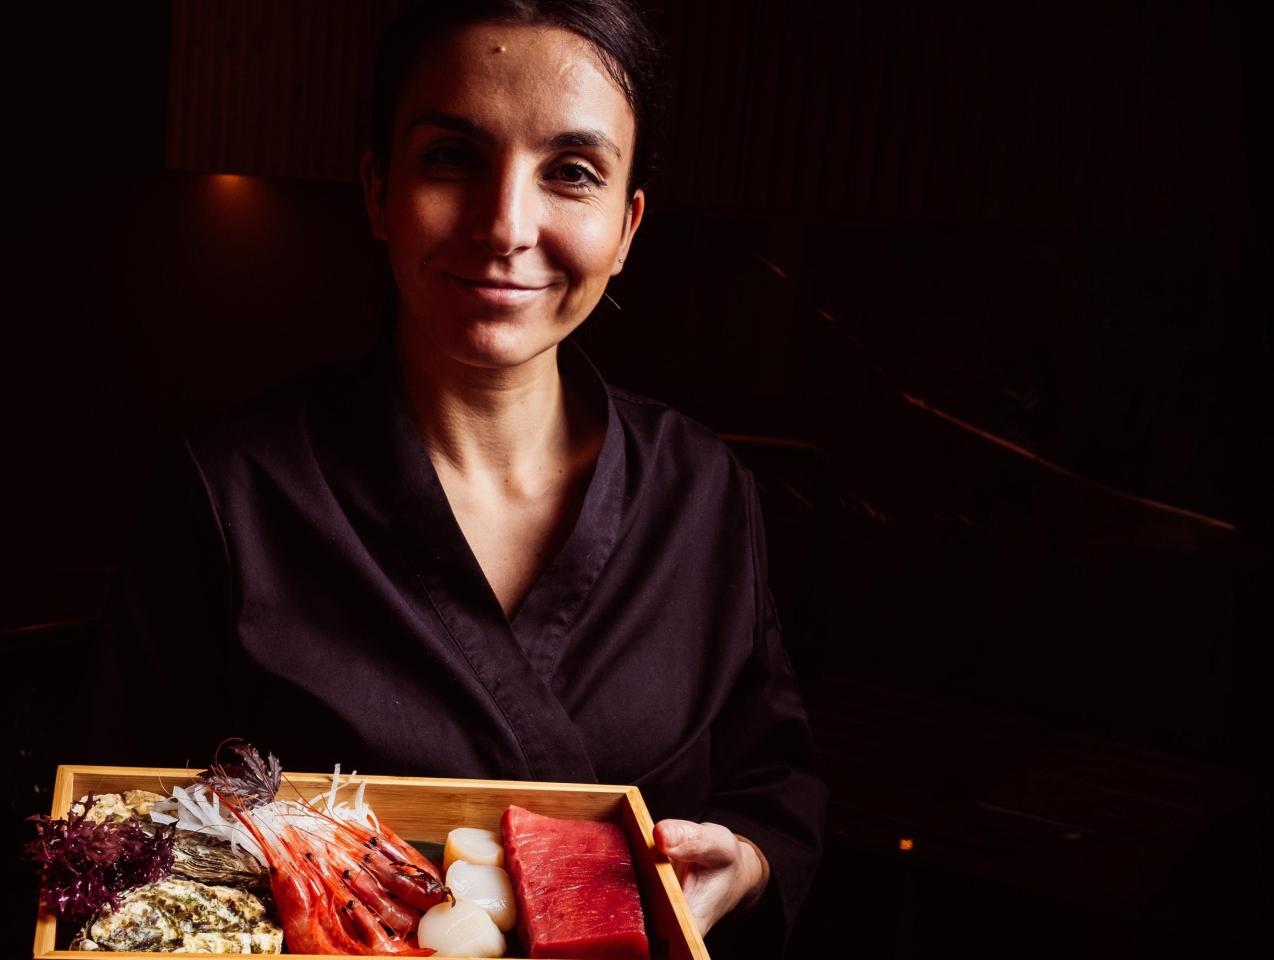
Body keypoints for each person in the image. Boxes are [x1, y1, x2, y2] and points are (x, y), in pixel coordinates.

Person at [111, 0, 826, 953]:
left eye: (571, 174)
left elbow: (774, 780)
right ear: (377, 190)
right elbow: (119, 839)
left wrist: (749, 857)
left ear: (626, 226)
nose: (504, 225)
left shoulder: (703, 491)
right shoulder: (227, 494)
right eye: (452, 157)